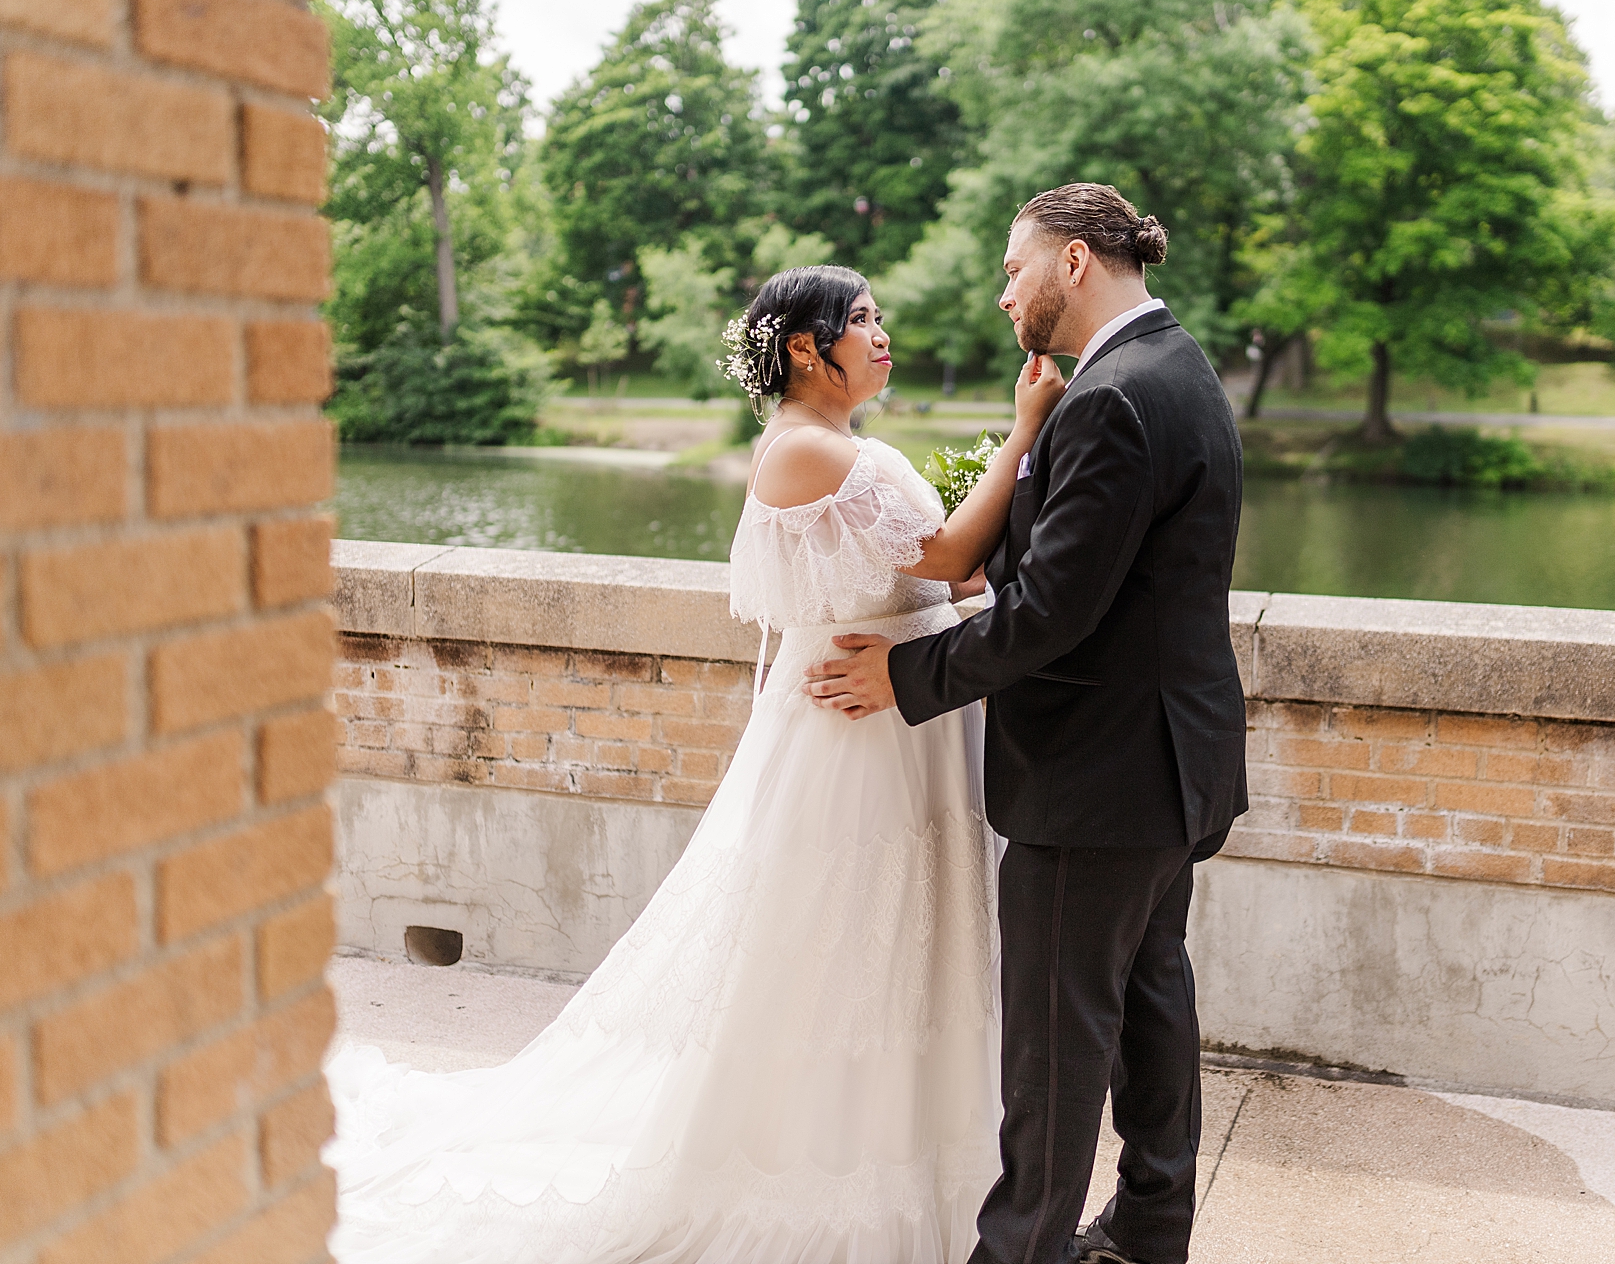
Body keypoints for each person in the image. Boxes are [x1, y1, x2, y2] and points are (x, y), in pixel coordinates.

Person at [325, 264, 1069, 1264]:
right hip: (862, 743)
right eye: (862, 320)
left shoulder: (833, 448)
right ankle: (834, 1174)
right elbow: (946, 559)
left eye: (879, 317)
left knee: (897, 944)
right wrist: (1025, 433)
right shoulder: (813, 451)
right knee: (850, 952)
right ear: (806, 349)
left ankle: (927, 1152)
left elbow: (942, 571)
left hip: (890, 719)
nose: (882, 334)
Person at [802, 184, 1249, 1264]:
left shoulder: (1111, 399)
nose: (1004, 292)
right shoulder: (1178, 369)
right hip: (1169, 767)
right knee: (1148, 1003)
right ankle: (1147, 1228)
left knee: (1052, 1049)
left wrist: (905, 674)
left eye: (1014, 267)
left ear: (1075, 263)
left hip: (1094, 782)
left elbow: (1050, 615)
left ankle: (1018, 1253)